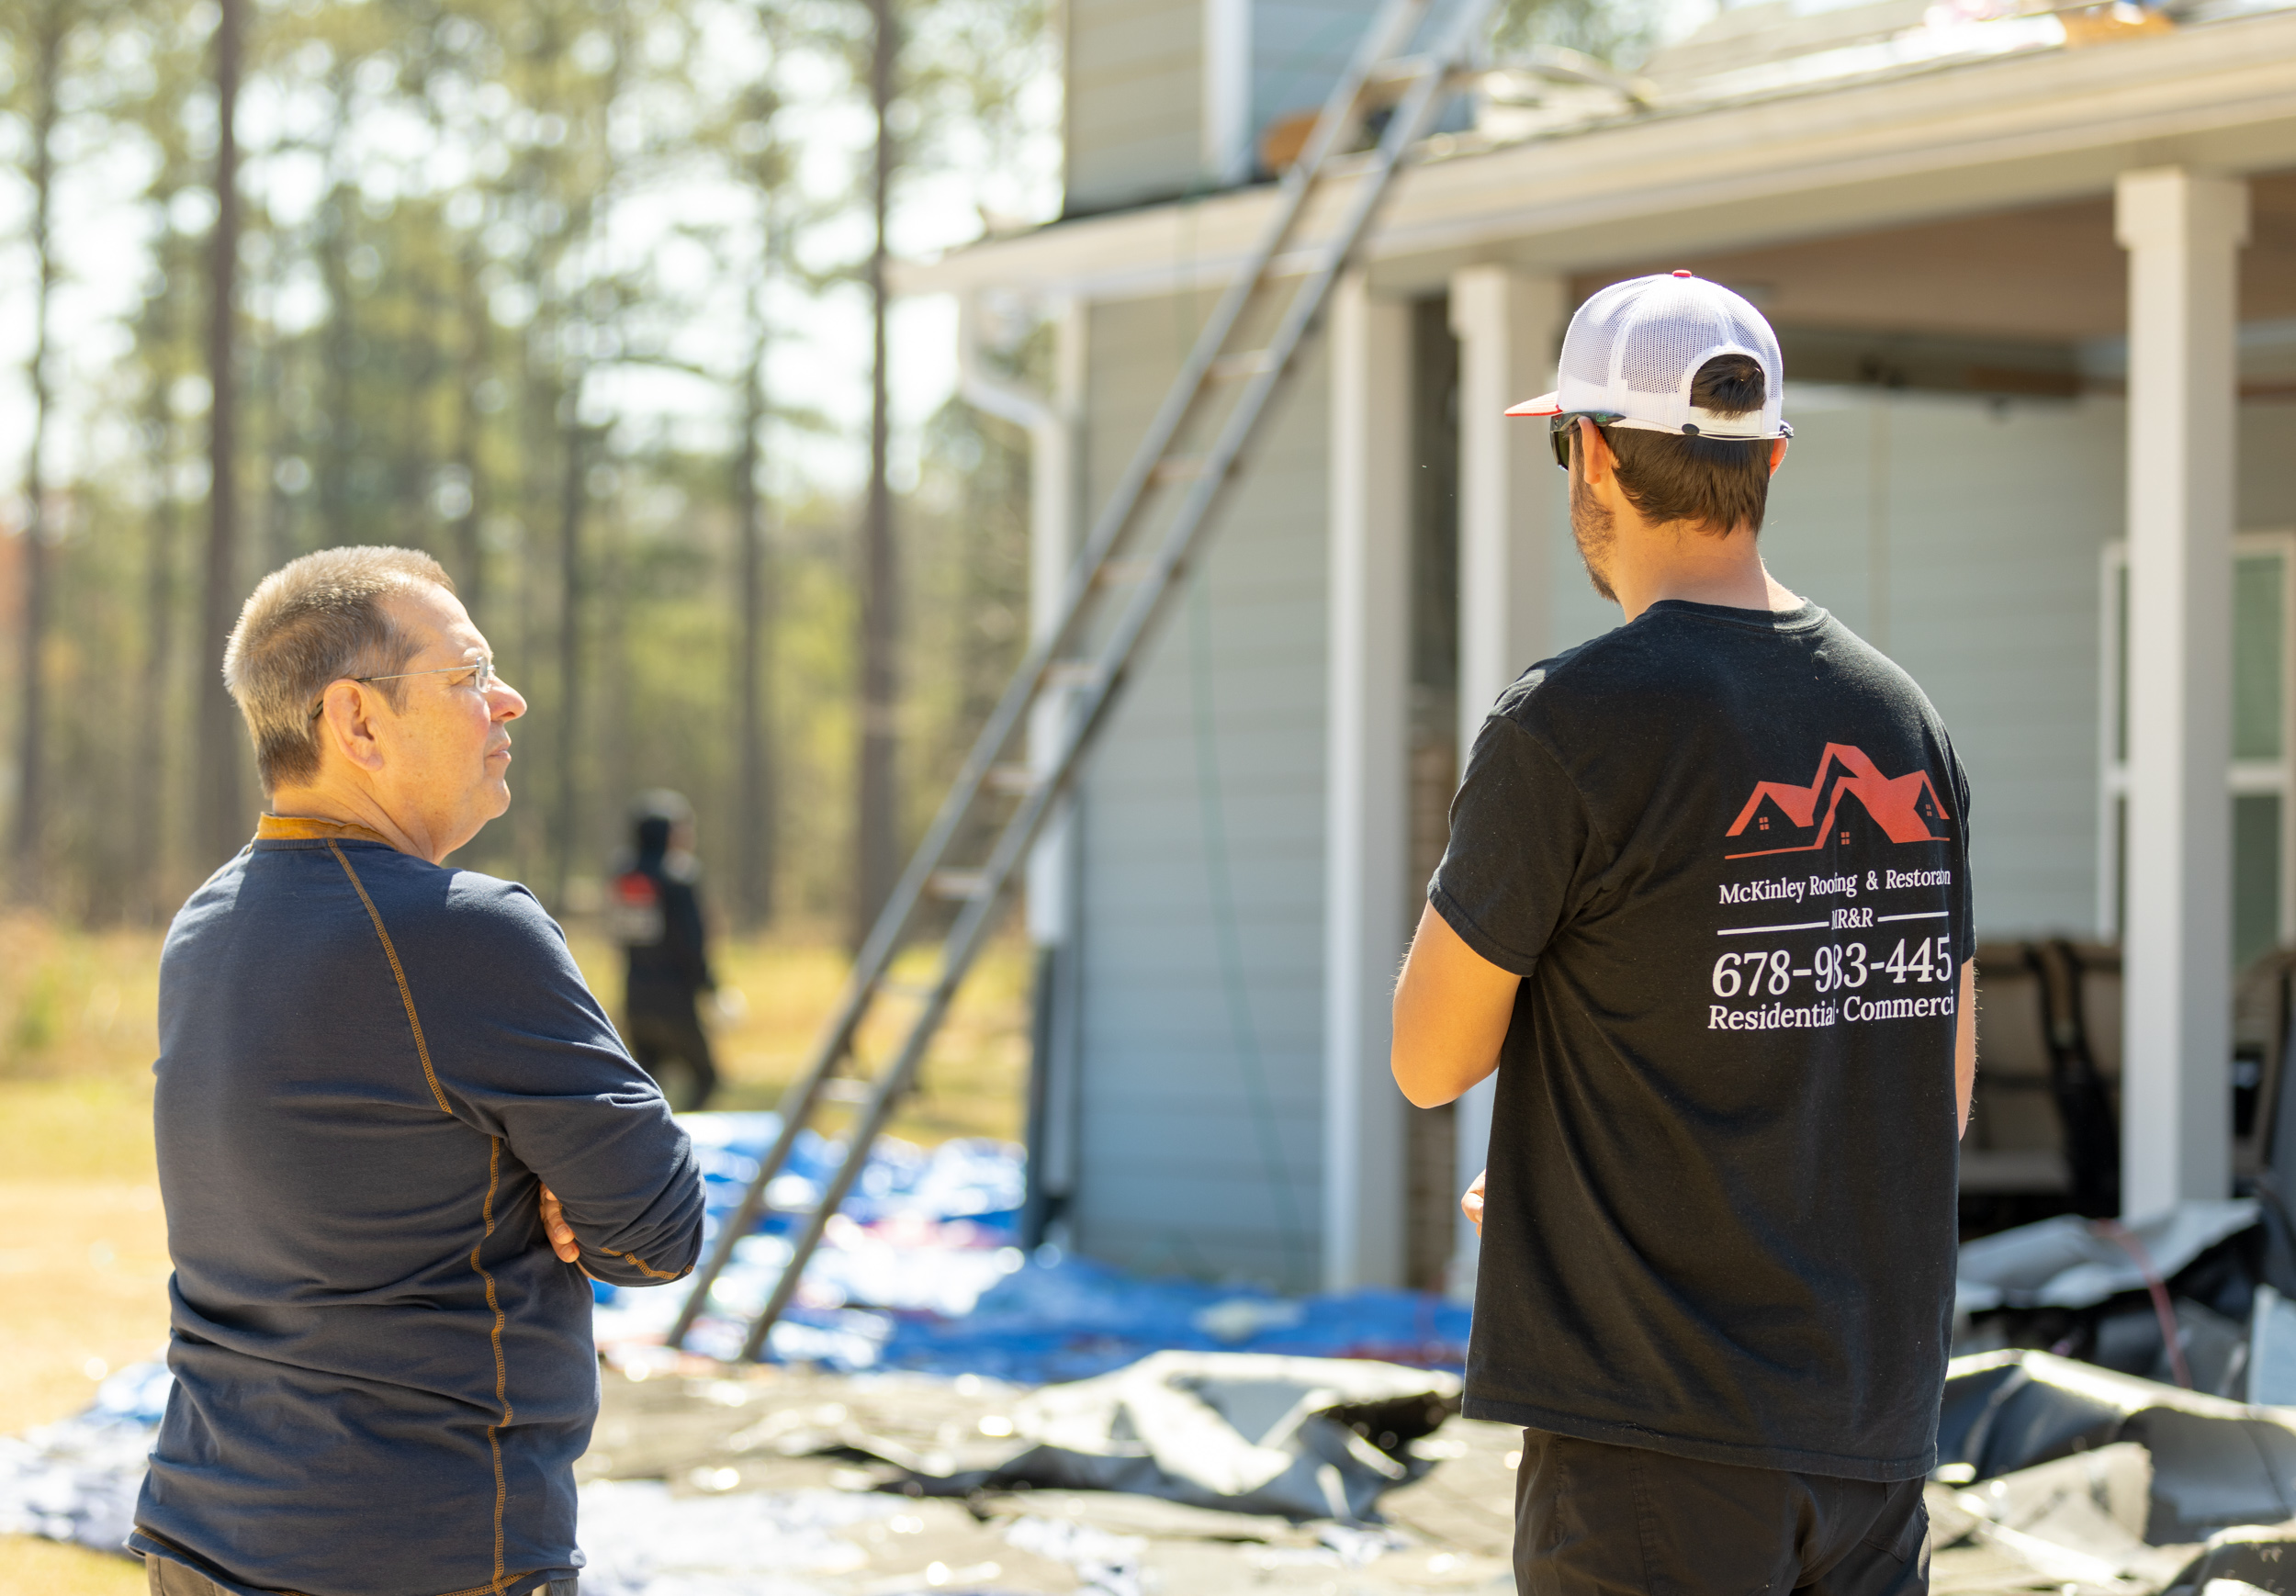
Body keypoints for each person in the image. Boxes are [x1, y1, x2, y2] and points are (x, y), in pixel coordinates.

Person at [1390, 273, 1975, 1596]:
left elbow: (1431, 1059)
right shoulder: (1903, 722)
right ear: (1770, 452)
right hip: (1874, 1443)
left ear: (1593, 451)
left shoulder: (1568, 726)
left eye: (1564, 448)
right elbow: (1922, 1079)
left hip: (1652, 1444)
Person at [133, 546, 705, 1596]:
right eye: (469, 675)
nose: (509, 700)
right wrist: (551, 1185)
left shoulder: (205, 921)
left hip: (204, 1529)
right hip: (413, 1550)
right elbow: (656, 1234)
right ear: (356, 721)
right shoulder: (465, 932)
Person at [611, 792, 721, 1112]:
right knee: (706, 1078)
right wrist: (710, 986)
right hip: (675, 999)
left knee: (646, 1086)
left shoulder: (624, 877)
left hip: (636, 997)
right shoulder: (679, 876)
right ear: (668, 833)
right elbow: (691, 941)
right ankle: (684, 1148)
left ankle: (645, 1151)